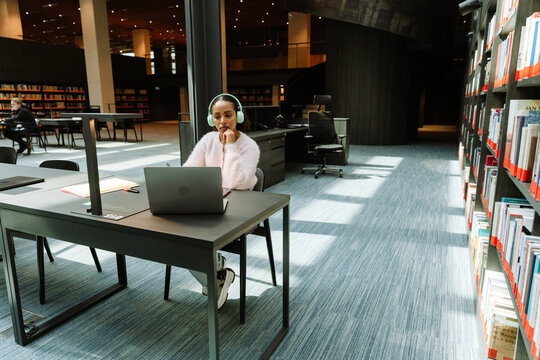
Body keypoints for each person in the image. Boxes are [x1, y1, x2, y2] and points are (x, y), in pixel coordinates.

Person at [183, 93, 260, 309]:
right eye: (217, 117)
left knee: (192, 231)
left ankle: (214, 273)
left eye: (228, 115)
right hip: (208, 203)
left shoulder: (249, 146)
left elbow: (239, 183)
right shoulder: (208, 141)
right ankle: (218, 272)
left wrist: (232, 146)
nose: (222, 121)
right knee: (177, 230)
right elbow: (189, 170)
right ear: (211, 119)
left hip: (239, 209)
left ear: (239, 116)